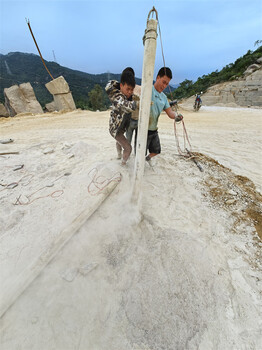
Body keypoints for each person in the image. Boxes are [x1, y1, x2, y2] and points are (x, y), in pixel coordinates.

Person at [146, 67, 183, 161]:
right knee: (139, 151)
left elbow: (170, 112)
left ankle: (147, 159)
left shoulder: (164, 98)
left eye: (167, 84)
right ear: (158, 77)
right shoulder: (147, 90)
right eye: (163, 82)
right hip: (142, 129)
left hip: (153, 129)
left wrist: (176, 116)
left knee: (156, 150)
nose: (164, 86)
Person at [105, 70, 136, 165]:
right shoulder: (116, 96)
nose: (130, 92)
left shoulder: (126, 94)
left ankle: (119, 155)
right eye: (128, 89)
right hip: (115, 129)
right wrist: (137, 103)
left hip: (121, 127)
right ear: (121, 85)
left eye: (132, 89)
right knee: (128, 148)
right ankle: (122, 164)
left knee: (119, 142)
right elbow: (127, 106)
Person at [126, 84, 141, 153]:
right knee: (130, 141)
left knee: (133, 141)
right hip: (132, 120)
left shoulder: (130, 89)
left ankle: (129, 155)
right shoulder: (138, 89)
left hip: (136, 120)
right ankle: (130, 155)